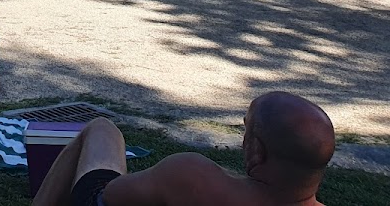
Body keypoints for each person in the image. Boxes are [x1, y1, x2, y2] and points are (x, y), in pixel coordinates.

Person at [32, 92, 334, 206]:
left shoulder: (191, 178)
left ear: (258, 152)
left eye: (246, 129)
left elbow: (110, 195)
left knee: (101, 129)